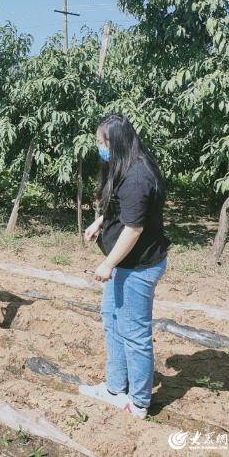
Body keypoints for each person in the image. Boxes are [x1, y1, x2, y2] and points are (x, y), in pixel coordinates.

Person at [79, 114, 169, 419]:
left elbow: (133, 228)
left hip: (138, 268)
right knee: (112, 321)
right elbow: (121, 208)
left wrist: (107, 263)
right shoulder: (125, 167)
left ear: (114, 143)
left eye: (101, 142)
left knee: (134, 333)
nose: (98, 147)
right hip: (125, 265)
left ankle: (139, 402)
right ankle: (115, 388)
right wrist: (100, 221)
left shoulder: (138, 177)